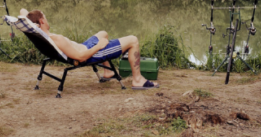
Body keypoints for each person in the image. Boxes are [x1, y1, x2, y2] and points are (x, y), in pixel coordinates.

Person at [20, 8, 159, 90]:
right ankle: (138, 80)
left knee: (103, 33)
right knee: (133, 40)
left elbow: (23, 11)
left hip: (84, 46)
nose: (47, 20)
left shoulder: (43, 35)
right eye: (45, 18)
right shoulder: (57, 39)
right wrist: (99, 46)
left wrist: (27, 21)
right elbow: (81, 58)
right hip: (89, 54)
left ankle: (108, 73)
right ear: (42, 21)